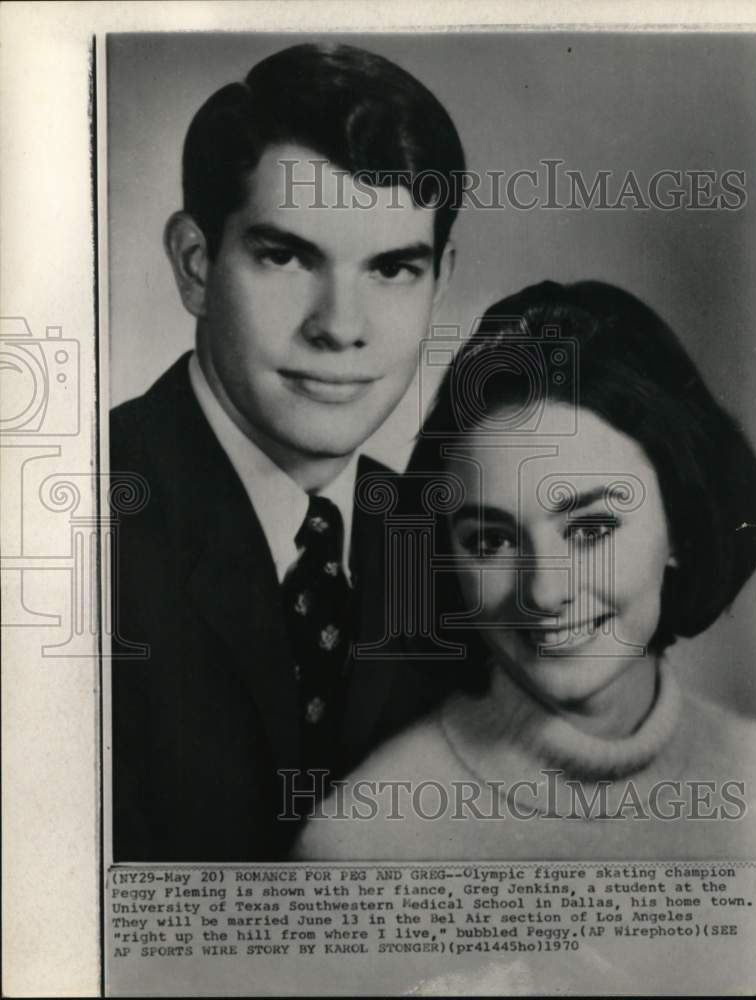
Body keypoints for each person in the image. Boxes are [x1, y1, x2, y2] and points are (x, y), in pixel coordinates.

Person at [110, 42, 466, 861]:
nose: (340, 326)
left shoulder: (452, 548)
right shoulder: (72, 514)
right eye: (286, 256)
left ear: (442, 280)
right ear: (196, 265)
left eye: (392, 269)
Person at [294, 280, 756, 861]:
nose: (543, 590)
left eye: (590, 530)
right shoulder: (362, 843)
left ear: (682, 525)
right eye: (491, 540)